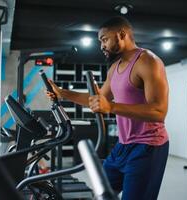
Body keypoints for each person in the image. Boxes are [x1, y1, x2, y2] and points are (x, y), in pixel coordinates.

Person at [46, 16, 169, 200]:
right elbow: (97, 100)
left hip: (148, 147)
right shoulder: (114, 68)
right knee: (101, 193)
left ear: (121, 34)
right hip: (123, 146)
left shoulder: (148, 61)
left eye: (104, 39)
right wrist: (63, 93)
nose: (101, 46)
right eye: (100, 41)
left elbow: (159, 111)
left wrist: (110, 106)